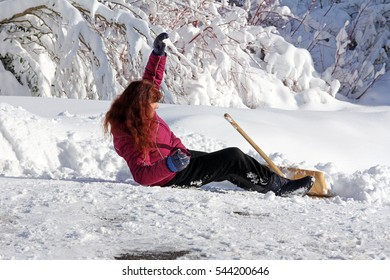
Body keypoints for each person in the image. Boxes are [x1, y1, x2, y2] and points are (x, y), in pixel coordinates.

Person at [104, 32, 314, 196]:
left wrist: (157, 56)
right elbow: (141, 175)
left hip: (177, 159)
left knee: (231, 163)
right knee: (232, 157)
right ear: (141, 105)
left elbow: (150, 82)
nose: (157, 107)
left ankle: (268, 180)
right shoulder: (127, 134)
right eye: (153, 104)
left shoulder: (137, 109)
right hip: (172, 175)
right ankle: (279, 188)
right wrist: (170, 165)